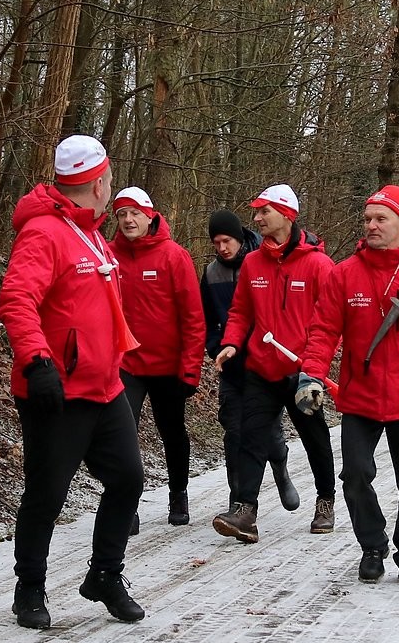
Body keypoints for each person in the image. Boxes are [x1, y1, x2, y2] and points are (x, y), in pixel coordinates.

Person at [0, 134, 146, 630]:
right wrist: (37, 361)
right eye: (109, 178)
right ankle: (29, 587)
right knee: (47, 495)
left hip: (106, 386)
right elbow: (16, 299)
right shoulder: (44, 232)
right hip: (58, 390)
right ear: (98, 183)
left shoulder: (92, 233)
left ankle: (105, 574)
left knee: (128, 479)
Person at [296, 185, 399, 584]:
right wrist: (312, 374)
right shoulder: (345, 273)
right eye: (367, 219)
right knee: (355, 475)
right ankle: (372, 546)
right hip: (360, 396)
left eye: (381, 218)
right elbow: (323, 329)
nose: (372, 225)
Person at [212, 184, 336, 542]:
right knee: (250, 437)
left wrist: (314, 368)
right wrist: (232, 343)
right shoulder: (253, 262)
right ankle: (245, 512)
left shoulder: (319, 265)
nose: (257, 218)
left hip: (302, 373)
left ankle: (325, 501)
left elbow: (330, 322)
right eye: (257, 211)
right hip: (261, 370)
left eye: (264, 211)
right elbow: (240, 312)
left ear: (287, 214)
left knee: (315, 438)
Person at [111, 186, 206, 526]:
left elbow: (193, 318)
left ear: (149, 215)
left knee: (173, 432)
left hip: (168, 365)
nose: (128, 220)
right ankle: (126, 504)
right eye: (122, 214)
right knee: (122, 433)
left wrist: (190, 369)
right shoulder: (108, 254)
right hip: (126, 363)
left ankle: (178, 494)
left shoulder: (174, 256)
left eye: (135, 213)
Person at [199, 209, 267, 513]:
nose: (222, 248)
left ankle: (280, 464)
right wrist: (216, 348)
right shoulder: (212, 273)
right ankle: (238, 501)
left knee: (265, 435)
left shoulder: (263, 262)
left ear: (239, 238)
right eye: (216, 243)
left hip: (264, 364)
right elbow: (206, 319)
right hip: (230, 366)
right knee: (234, 432)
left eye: (227, 240)